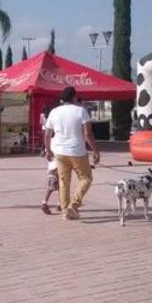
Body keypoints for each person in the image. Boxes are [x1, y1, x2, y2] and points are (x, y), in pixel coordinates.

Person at [44, 86, 101, 221]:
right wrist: (96, 151)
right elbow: (88, 134)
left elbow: (47, 134)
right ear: (74, 97)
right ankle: (74, 205)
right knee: (86, 178)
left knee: (64, 182)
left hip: (59, 152)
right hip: (77, 150)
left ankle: (65, 211)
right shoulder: (81, 111)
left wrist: (48, 150)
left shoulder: (54, 112)